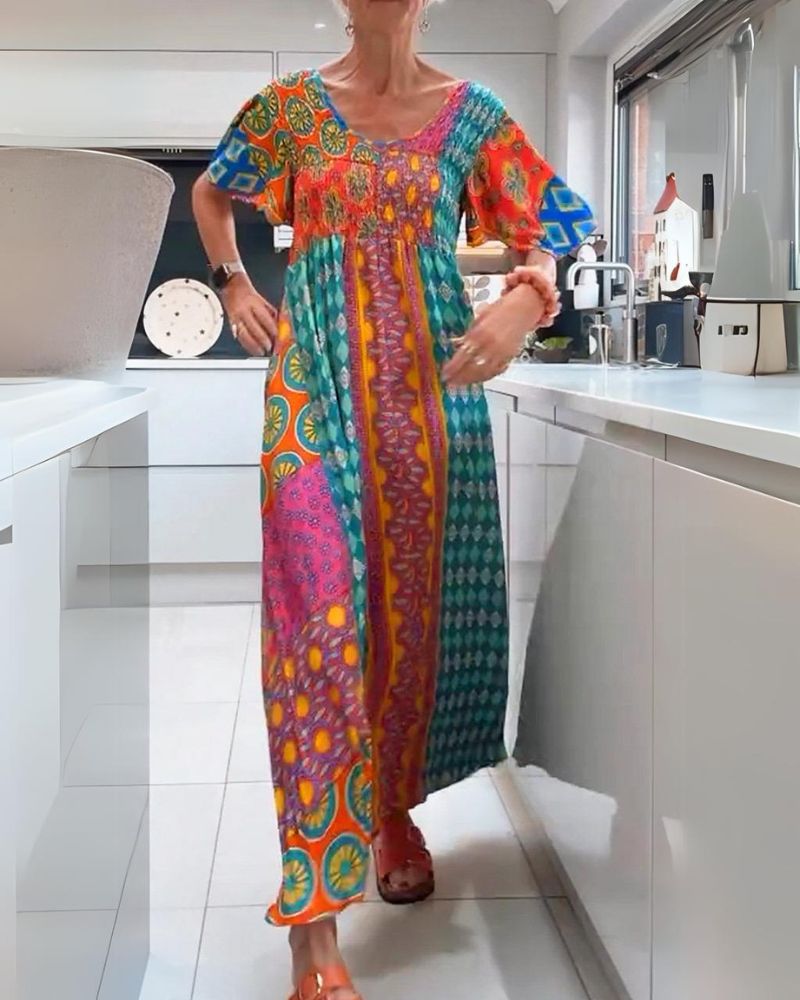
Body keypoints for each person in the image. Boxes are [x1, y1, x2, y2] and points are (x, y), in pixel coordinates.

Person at [192, 1, 595, 996]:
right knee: (316, 624)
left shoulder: (471, 117)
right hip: (312, 391)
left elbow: (551, 223)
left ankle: (392, 810)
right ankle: (312, 922)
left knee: (410, 616)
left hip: (427, 395)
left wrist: (525, 295)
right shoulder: (291, 110)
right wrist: (232, 281)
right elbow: (212, 189)